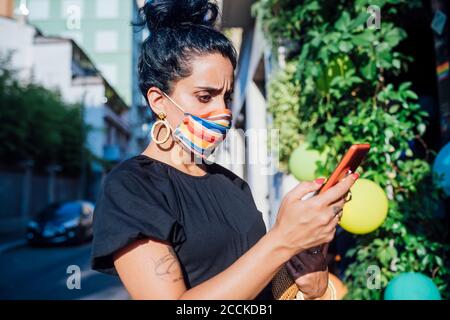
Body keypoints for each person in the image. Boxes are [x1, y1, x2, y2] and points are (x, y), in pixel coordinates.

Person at [90, 0, 358, 300]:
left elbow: (257, 283)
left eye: (227, 97)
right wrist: (283, 238)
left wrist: (309, 278)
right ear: (158, 101)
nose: (223, 112)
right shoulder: (132, 187)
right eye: (205, 96)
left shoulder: (233, 185)